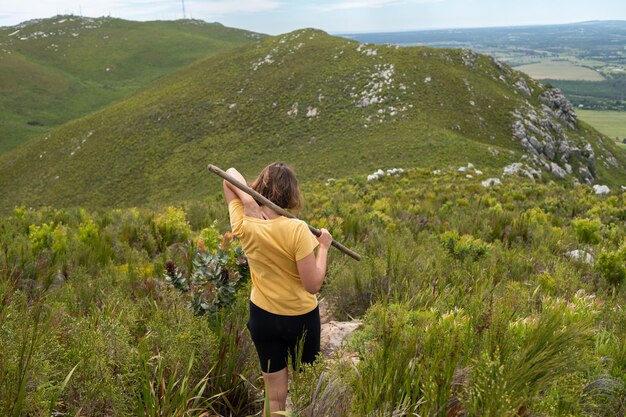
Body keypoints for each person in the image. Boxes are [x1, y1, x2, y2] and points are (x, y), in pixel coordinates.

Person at [222, 162, 332, 416]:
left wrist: (248, 201)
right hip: (300, 319)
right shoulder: (297, 229)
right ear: (291, 193)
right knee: (306, 390)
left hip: (264, 317)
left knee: (274, 398)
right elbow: (312, 284)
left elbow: (229, 175)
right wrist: (323, 248)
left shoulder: (244, 223)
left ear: (261, 186)